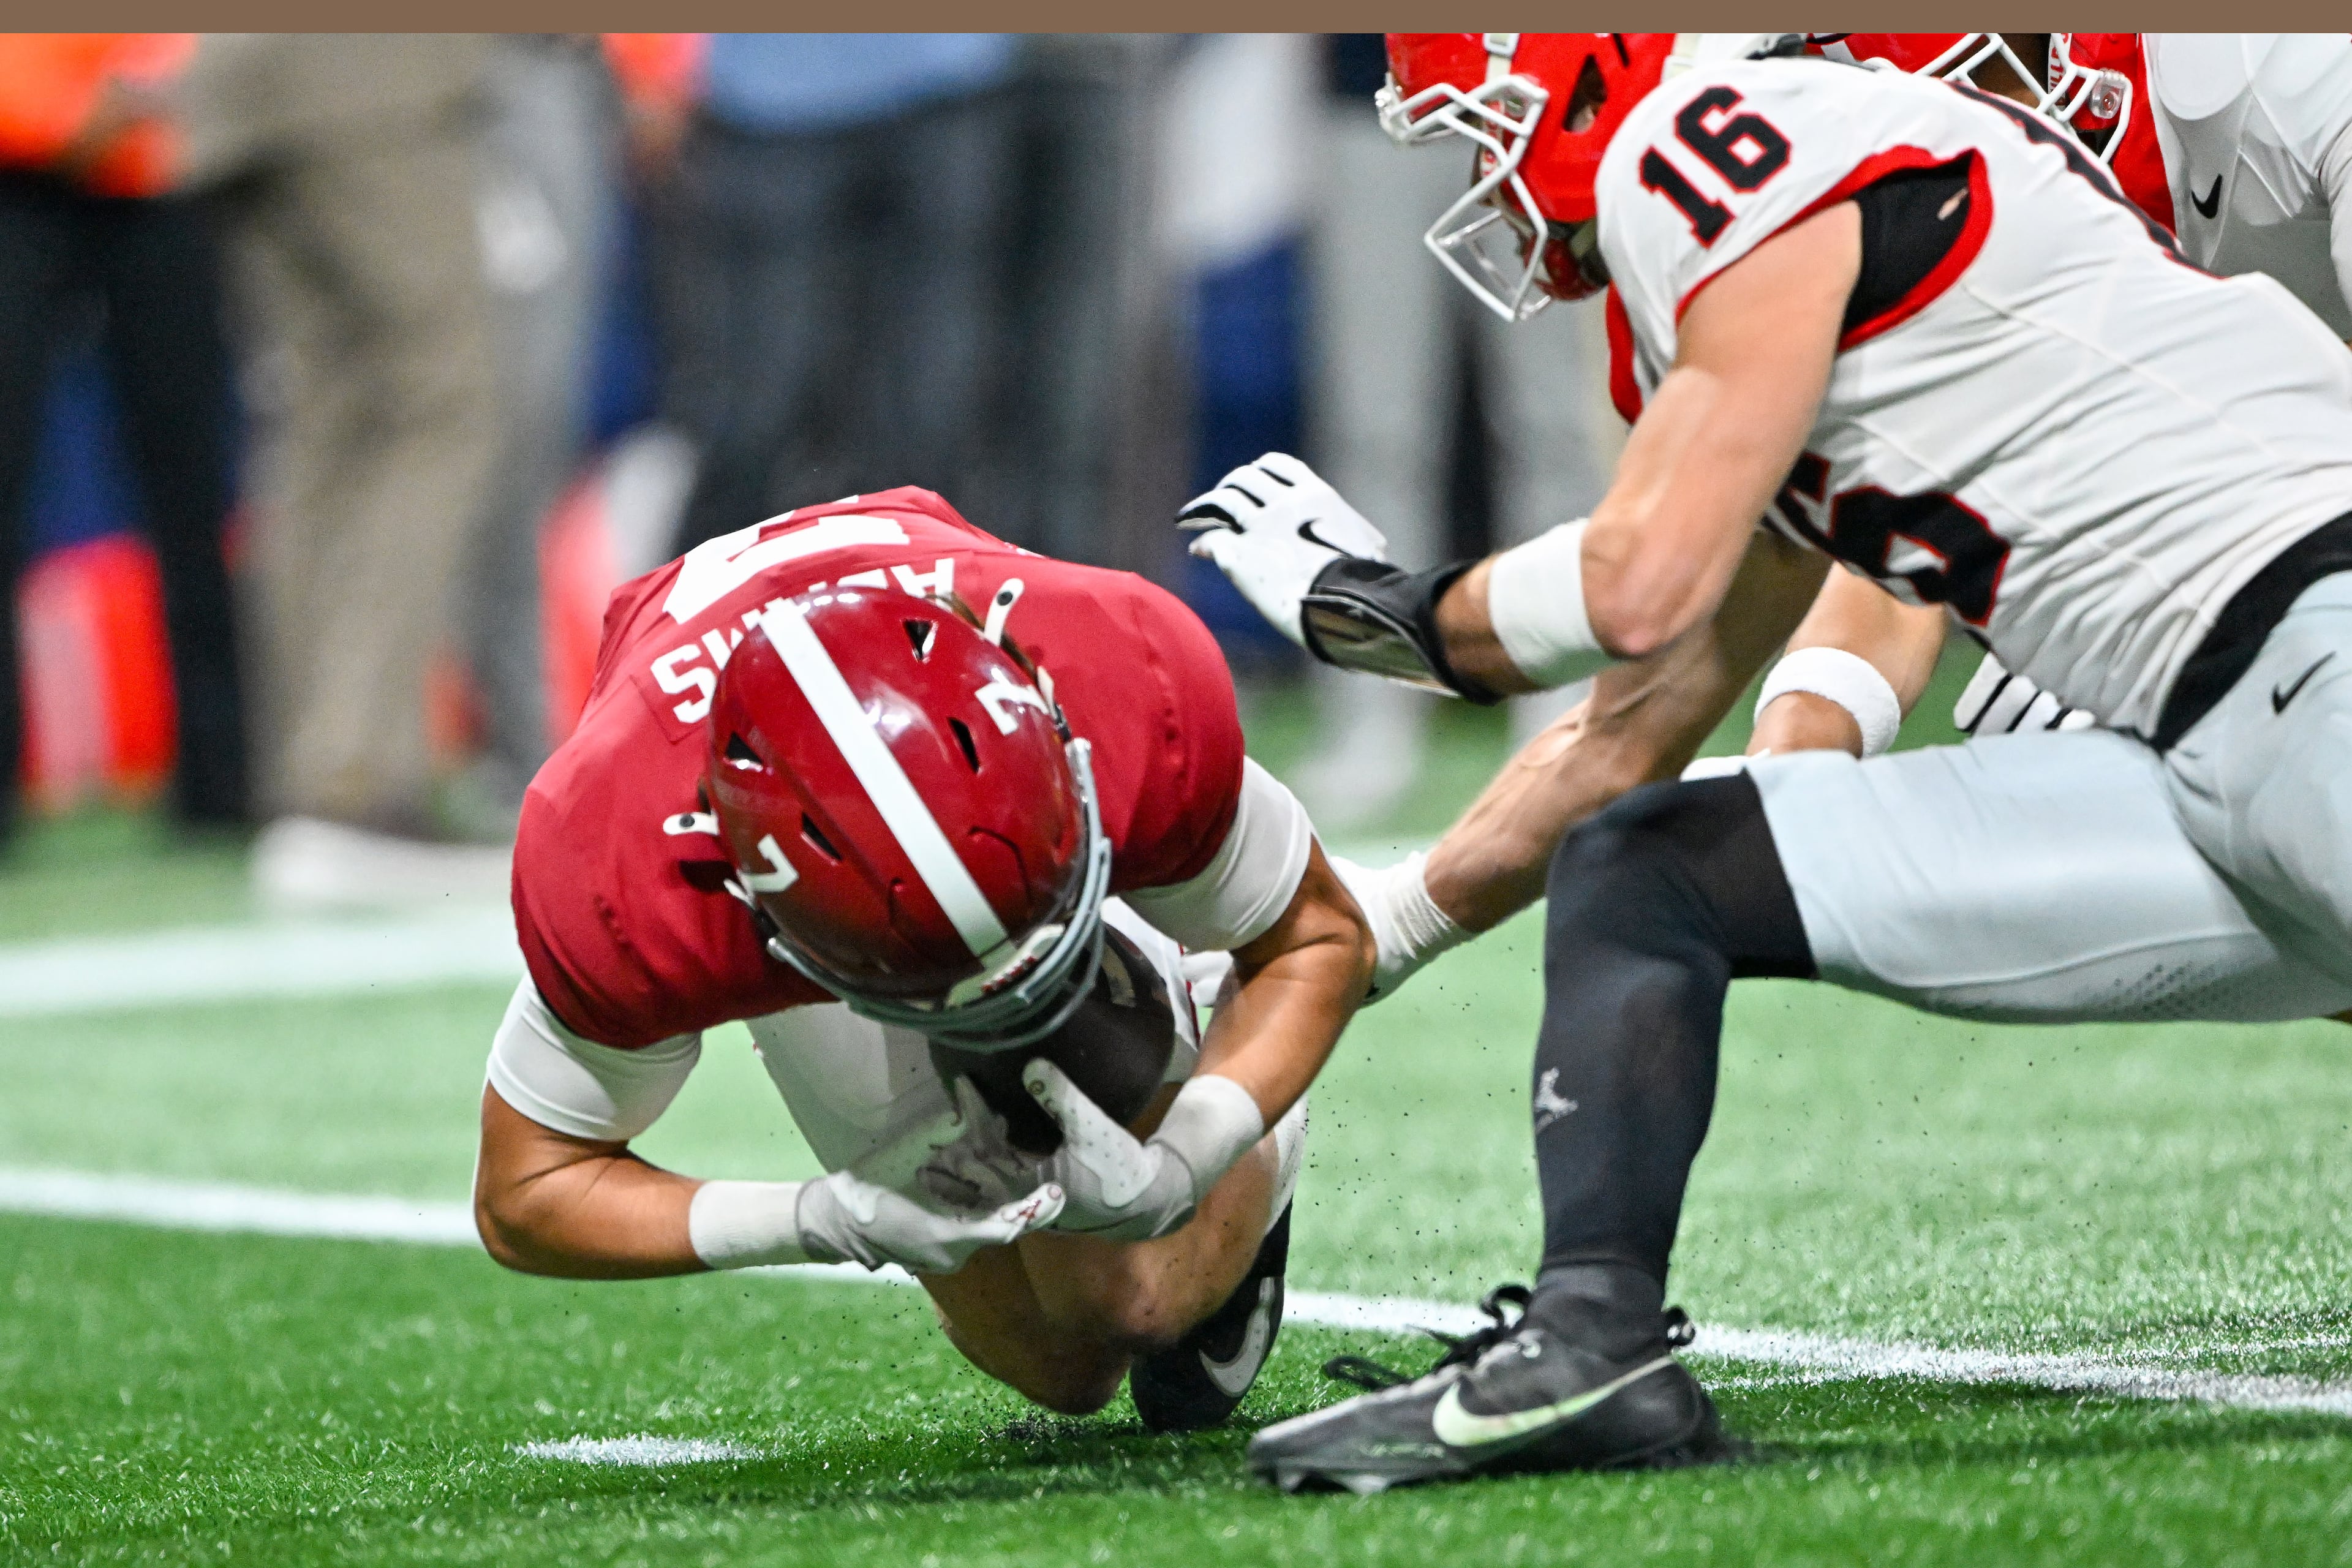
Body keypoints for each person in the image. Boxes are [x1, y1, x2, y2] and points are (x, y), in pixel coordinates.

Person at [1185, 32, 2352, 1489]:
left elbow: (1636, 580)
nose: (1486, 169)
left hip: (2312, 640)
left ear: (1597, 67)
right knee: (1658, 867)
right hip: (2217, 758)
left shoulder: (1731, 137)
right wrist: (1375, 927)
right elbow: (1640, 720)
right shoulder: (1810, 277)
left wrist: (1408, 613)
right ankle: (1588, 1344)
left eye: (1484, 116)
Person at [473, 484, 1372, 1427]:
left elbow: (1318, 933)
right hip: (831, 901)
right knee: (1060, 1370)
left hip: (971, 817)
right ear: (768, 913)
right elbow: (526, 1189)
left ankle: (1203, 1015)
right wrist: (823, 1218)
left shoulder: (1122, 677)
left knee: (1135, 1294)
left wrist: (1195, 1154)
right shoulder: (629, 869)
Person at [177, 36, 507, 905]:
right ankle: (355, 785)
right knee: (441, 402)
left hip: (240, 83)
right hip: (364, 71)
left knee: (323, 424)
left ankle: (307, 783)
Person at [0, 32, 247, 843]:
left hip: (160, 151)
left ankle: (225, 776)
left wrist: (154, 76)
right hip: (21, 150)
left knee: (195, 483)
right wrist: (52, 106)